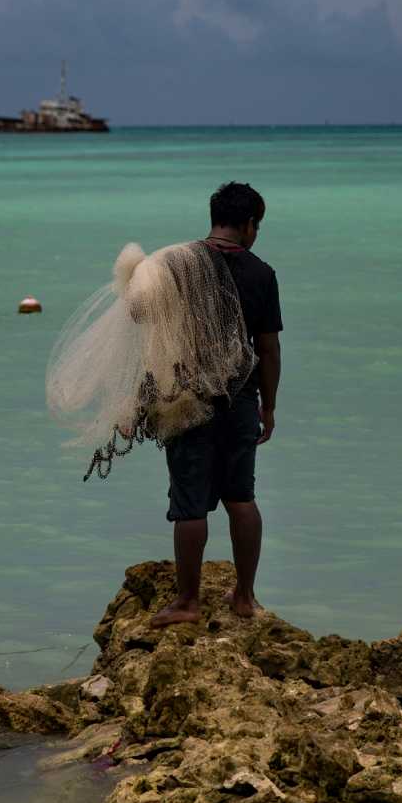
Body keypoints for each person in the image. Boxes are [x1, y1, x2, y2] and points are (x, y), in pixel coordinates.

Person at [150, 181, 282, 627]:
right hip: (241, 398)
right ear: (248, 225)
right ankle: (244, 597)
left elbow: (143, 321)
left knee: (190, 504)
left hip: (187, 399)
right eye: (256, 225)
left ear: (213, 217)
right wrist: (269, 405)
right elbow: (267, 348)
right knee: (240, 497)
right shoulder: (262, 273)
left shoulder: (176, 264)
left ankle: (188, 602)